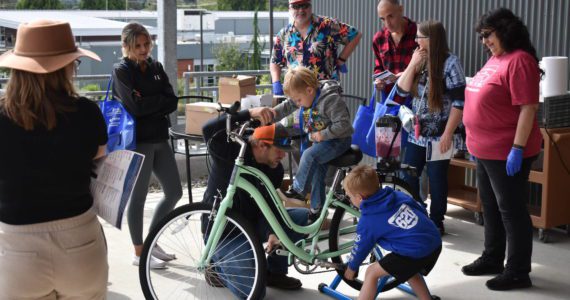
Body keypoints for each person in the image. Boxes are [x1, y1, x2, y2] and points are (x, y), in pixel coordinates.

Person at [0, 20, 108, 298]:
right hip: (80, 242)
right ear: (67, 66)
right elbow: (99, 157)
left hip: (16, 249)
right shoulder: (86, 112)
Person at [461, 8, 543, 291]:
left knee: (511, 209)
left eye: (487, 35)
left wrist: (517, 148)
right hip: (483, 150)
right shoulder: (496, 59)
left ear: (505, 30)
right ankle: (493, 258)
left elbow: (528, 107)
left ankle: (518, 270)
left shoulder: (520, 61)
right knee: (492, 208)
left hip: (505, 151)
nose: (484, 41)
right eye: (481, 36)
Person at [202, 107, 307, 297]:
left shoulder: (273, 168)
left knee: (302, 218)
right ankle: (216, 268)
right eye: (279, 150)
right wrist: (249, 113)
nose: (283, 156)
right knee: (254, 293)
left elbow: (271, 204)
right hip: (226, 233)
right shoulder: (230, 152)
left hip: (252, 226)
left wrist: (272, 232)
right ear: (261, 145)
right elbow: (208, 129)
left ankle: (274, 273)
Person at [112, 22, 182, 269]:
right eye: (137, 45)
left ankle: (152, 241)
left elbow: (173, 101)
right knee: (139, 197)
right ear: (126, 47)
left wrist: (150, 100)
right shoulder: (122, 71)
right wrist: (158, 101)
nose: (143, 50)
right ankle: (139, 253)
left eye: (146, 44)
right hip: (138, 140)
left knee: (175, 192)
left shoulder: (156, 67)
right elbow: (135, 107)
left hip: (160, 137)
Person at [396, 20, 466, 235]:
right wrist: (412, 64)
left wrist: (447, 134)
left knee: (437, 178)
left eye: (420, 37)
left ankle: (436, 221)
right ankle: (418, 213)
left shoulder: (451, 63)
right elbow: (401, 91)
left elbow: (459, 103)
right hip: (417, 133)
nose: (416, 41)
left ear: (432, 39)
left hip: (439, 135)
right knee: (408, 174)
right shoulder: (419, 59)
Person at [342, 165, 441, 300]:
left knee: (371, 272)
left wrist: (351, 268)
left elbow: (360, 248)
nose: (350, 199)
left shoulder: (368, 220)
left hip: (415, 251)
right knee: (409, 269)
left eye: (349, 196)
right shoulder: (397, 195)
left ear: (359, 197)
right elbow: (421, 210)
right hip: (434, 241)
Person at [272, 66, 353, 221]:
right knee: (317, 172)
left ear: (309, 90)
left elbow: (344, 125)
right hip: (324, 141)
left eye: (298, 100)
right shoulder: (307, 96)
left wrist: (322, 135)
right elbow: (288, 105)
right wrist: (271, 113)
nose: (298, 104)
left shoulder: (330, 100)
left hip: (339, 140)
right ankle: (317, 209)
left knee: (309, 155)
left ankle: (298, 191)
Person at [270, 0, 362, 95]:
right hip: (297, 95)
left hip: (326, 93)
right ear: (289, 8)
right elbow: (275, 61)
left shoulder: (328, 25)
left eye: (305, 6)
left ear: (311, 6)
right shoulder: (284, 34)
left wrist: (342, 59)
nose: (301, 10)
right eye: (296, 6)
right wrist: (276, 82)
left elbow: (355, 35)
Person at [373, 0, 417, 104]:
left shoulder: (418, 33)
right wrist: (378, 81)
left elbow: (428, 69)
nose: (387, 23)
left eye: (390, 16)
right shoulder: (379, 38)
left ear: (400, 10)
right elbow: (379, 67)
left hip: (414, 100)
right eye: (383, 19)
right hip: (389, 99)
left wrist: (407, 75)